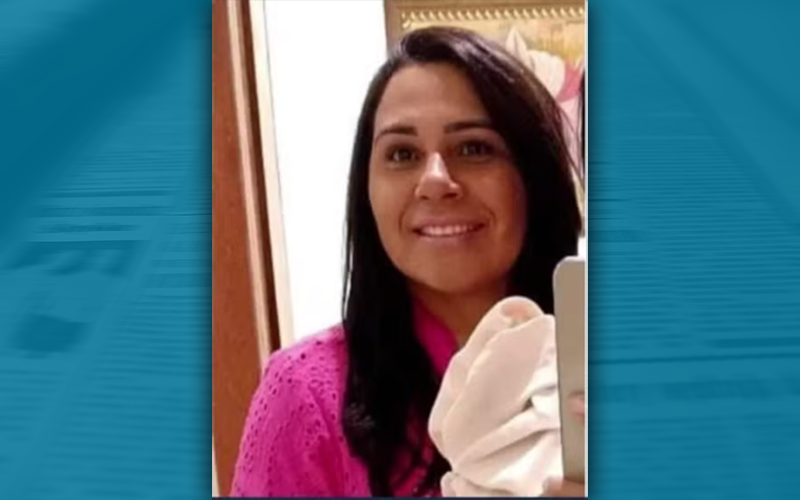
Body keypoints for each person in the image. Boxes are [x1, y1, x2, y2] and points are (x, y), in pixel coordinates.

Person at [230, 26, 584, 497]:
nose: (435, 180)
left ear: (534, 176)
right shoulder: (304, 395)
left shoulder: (617, 368)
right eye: (402, 154)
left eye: (474, 148)